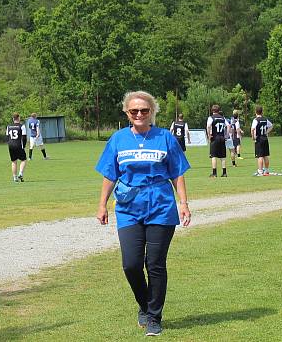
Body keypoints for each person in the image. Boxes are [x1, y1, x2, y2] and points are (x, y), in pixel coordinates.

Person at [95, 91, 191, 337]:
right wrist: (102, 204)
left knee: (155, 263)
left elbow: (177, 173)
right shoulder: (118, 139)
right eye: (134, 111)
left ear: (152, 112)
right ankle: (145, 305)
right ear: (127, 113)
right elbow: (110, 175)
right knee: (131, 264)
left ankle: (154, 317)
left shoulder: (165, 138)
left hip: (160, 205)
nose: (139, 114)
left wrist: (183, 203)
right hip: (128, 207)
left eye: (144, 111)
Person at [206, 105, 228, 177]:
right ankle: (224, 173)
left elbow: (208, 126)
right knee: (222, 156)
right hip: (222, 138)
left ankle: (214, 173)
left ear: (212, 111)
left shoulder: (211, 118)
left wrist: (209, 135)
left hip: (215, 138)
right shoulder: (223, 118)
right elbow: (229, 126)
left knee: (213, 156)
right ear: (219, 111)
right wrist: (226, 135)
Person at [250, 106, 273, 176]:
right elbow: (271, 126)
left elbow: (252, 129)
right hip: (265, 138)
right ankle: (266, 170)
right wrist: (266, 132)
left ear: (255, 112)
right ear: (262, 111)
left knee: (259, 156)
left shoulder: (255, 120)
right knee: (265, 155)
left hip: (259, 139)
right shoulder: (265, 119)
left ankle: (260, 171)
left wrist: (253, 137)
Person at [7, 113, 28, 182]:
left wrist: (9, 144)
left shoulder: (9, 126)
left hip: (11, 145)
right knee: (24, 160)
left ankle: (15, 178)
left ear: (13, 119)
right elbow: (24, 137)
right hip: (18, 145)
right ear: (18, 118)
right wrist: (24, 146)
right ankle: (20, 173)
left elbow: (7, 137)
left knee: (14, 161)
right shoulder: (22, 126)